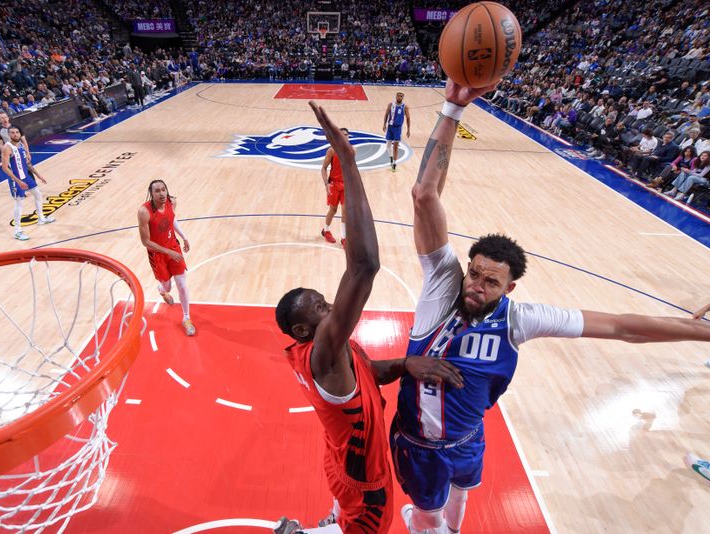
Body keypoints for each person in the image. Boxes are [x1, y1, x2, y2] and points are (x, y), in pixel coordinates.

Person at [392, 79, 710, 534]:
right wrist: (453, 108)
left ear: (511, 287)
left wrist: (704, 331)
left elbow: (621, 327)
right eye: (475, 272)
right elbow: (425, 195)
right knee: (428, 515)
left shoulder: (520, 319)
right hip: (418, 441)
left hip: (467, 437)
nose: (477, 285)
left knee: (462, 494)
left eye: (490, 281)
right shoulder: (443, 286)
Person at [272, 101, 463, 534]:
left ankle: (330, 520)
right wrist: (349, 160)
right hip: (364, 481)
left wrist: (402, 364)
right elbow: (364, 266)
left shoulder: (324, 353)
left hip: (340, 461)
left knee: (342, 510)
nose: (330, 307)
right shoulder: (323, 352)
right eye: (320, 308)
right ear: (303, 331)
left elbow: (366, 373)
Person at [137, 180, 196, 336]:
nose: (162, 193)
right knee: (168, 287)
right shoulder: (144, 212)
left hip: (173, 248)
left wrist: (184, 236)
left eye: (164, 189)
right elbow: (145, 241)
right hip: (157, 254)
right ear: (151, 193)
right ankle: (161, 290)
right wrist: (167, 252)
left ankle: (186, 318)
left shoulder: (172, 202)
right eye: (157, 191)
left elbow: (172, 219)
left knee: (182, 284)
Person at [1, 126, 54, 241]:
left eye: (17, 132)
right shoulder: (7, 147)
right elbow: (4, 168)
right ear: (9, 135)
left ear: (20, 134)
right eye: (12, 133)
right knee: (19, 203)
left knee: (38, 194)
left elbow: (27, 164)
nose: (15, 134)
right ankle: (17, 231)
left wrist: (38, 175)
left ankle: (41, 218)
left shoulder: (21, 145)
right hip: (16, 180)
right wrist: (18, 181)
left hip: (26, 176)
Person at [320, 127, 348, 247]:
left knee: (345, 210)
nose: (345, 136)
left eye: (346, 135)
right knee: (333, 210)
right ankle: (326, 230)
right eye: (342, 135)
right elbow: (323, 168)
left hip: (346, 184)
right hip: (334, 184)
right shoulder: (331, 151)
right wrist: (326, 184)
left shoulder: (351, 151)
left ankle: (343, 237)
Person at [383, 91, 410, 172]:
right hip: (390, 127)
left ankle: (394, 163)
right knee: (387, 146)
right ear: (396, 96)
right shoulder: (391, 105)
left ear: (403, 97)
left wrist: (408, 130)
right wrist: (384, 125)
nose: (399, 97)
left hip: (397, 129)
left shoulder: (405, 107)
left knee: (395, 147)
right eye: (398, 96)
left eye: (401, 96)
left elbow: (408, 118)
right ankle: (391, 158)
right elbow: (386, 115)